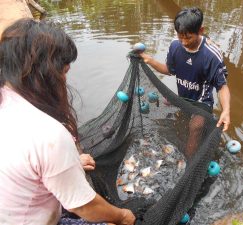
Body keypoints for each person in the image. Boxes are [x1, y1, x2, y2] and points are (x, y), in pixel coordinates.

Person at [0, 18, 135, 225]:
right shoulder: (48, 134)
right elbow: (83, 206)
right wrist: (123, 216)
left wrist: (68, 165)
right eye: (64, 72)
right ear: (45, 75)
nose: (65, 80)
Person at [139, 7, 230, 157]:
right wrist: (149, 60)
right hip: (183, 99)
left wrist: (226, 110)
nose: (184, 42)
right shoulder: (175, 45)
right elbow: (169, 70)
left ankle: (188, 164)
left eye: (188, 38)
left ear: (201, 30)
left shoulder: (212, 54)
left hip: (202, 102)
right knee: (182, 126)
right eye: (180, 36)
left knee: (196, 126)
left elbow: (222, 87)